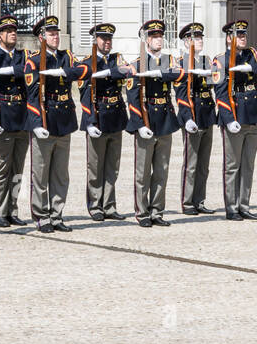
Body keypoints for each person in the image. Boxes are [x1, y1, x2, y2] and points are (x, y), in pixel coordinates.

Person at [21, 15, 90, 233]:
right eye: (51, 34)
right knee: (40, 172)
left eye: (57, 33)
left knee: (60, 173)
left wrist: (64, 72)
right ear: (41, 37)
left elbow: (85, 70)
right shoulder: (33, 61)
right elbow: (31, 96)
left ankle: (57, 213)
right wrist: (36, 123)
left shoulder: (66, 56)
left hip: (64, 120)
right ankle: (41, 215)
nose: (56, 37)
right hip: (45, 120)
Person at [211, 20, 257, 221]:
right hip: (235, 116)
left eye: (244, 34)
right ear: (228, 38)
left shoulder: (253, 55)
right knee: (232, 166)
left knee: (248, 164)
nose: (242, 38)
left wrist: (251, 68)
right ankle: (231, 207)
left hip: (254, 115)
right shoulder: (220, 61)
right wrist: (229, 118)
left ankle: (244, 204)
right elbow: (220, 94)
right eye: (238, 35)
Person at [126, 19, 184, 227]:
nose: (158, 40)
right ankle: (142, 212)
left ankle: (157, 211)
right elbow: (132, 97)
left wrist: (162, 73)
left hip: (165, 120)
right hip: (147, 118)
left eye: (160, 36)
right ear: (146, 40)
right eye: (154, 37)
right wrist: (140, 124)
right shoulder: (136, 64)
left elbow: (181, 75)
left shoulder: (170, 60)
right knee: (142, 171)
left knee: (161, 170)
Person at [0, 15, 31, 229]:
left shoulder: (24, 56)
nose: (13, 33)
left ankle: (13, 209)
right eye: (8, 30)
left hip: (22, 118)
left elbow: (31, 70)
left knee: (18, 169)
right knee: (3, 167)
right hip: (2, 118)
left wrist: (12, 70)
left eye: (14, 30)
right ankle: (0, 211)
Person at [79, 22, 130, 221]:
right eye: (103, 39)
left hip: (115, 117)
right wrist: (89, 121)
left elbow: (126, 71)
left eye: (109, 39)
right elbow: (84, 94)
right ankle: (95, 205)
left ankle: (109, 205)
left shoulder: (117, 59)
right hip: (98, 116)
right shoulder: (87, 61)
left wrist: (110, 72)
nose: (107, 42)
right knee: (95, 166)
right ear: (95, 40)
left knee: (112, 166)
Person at [174, 22, 216, 215]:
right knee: (191, 163)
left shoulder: (207, 60)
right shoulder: (179, 62)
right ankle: (187, 201)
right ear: (186, 42)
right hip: (192, 115)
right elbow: (180, 94)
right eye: (195, 39)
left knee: (204, 164)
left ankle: (200, 200)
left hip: (207, 115)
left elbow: (217, 82)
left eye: (200, 38)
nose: (199, 41)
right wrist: (187, 118)